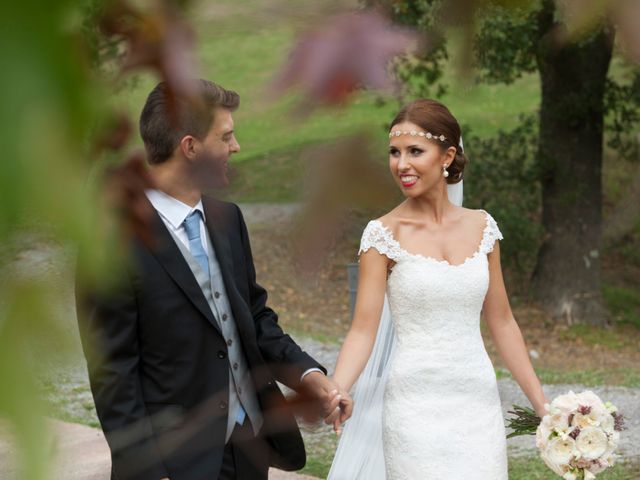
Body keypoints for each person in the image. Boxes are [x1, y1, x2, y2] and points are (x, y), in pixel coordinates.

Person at [76, 79, 351, 480]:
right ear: (190, 147)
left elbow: (254, 319)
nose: (236, 147)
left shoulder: (227, 219)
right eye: (226, 136)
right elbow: (113, 374)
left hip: (250, 445)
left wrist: (311, 378)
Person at [326, 99, 548, 479]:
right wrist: (337, 389)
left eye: (415, 151)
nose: (401, 164)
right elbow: (363, 330)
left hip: (477, 403)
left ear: (447, 156)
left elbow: (503, 322)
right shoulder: (382, 236)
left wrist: (544, 407)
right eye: (394, 153)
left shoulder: (483, 228)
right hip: (413, 407)